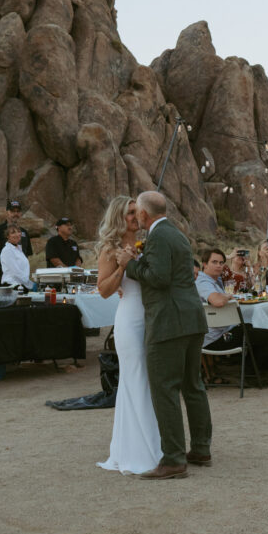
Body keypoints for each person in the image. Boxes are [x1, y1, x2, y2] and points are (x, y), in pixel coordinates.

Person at [117, 191, 212, 480]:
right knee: (193, 385)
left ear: (144, 215)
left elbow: (159, 278)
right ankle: (200, 448)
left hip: (168, 322)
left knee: (165, 388)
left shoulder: (157, 237)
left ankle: (172, 459)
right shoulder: (179, 234)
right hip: (192, 319)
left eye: (138, 213)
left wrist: (128, 264)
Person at [96, 196, 163, 476]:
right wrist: (124, 267)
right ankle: (141, 453)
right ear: (119, 218)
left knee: (149, 380)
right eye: (130, 213)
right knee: (135, 379)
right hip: (130, 320)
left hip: (152, 318)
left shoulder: (148, 243)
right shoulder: (110, 250)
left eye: (137, 211)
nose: (137, 216)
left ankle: (154, 447)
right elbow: (104, 289)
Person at [196, 248, 268, 374]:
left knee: (253, 326)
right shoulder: (202, 281)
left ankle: (255, 370)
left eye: (221, 263)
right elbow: (217, 301)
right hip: (215, 338)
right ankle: (251, 374)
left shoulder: (213, 279)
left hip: (223, 331)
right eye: (214, 262)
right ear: (205, 264)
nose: (219, 266)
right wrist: (228, 296)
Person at [0, 199, 33, 286]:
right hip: (0, 279)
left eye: (18, 211)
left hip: (20, 281)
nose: (15, 214)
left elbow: (26, 254)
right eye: (12, 211)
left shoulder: (24, 232)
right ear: (7, 212)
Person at [0, 223, 34, 290]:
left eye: (18, 231)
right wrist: (30, 285)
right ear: (8, 236)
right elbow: (15, 272)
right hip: (12, 286)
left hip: (21, 285)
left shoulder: (19, 250)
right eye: (13, 233)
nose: (17, 234)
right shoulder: (7, 250)